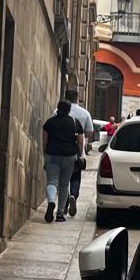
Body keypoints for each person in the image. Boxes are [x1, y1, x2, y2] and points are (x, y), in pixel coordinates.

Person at [41, 99, 85, 224]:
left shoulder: (49, 123)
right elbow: (80, 141)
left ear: (57, 108)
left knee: (52, 182)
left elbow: (44, 141)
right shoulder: (75, 123)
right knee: (64, 184)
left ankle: (50, 202)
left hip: (52, 154)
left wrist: (45, 155)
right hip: (69, 156)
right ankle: (60, 213)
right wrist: (78, 154)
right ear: (69, 110)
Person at [64, 87, 96, 219]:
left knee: (63, 179)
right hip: (78, 150)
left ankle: (64, 201)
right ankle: (73, 195)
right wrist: (85, 142)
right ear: (78, 98)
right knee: (75, 176)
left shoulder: (57, 111)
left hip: (60, 149)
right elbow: (90, 131)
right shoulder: (85, 113)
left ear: (65, 98)